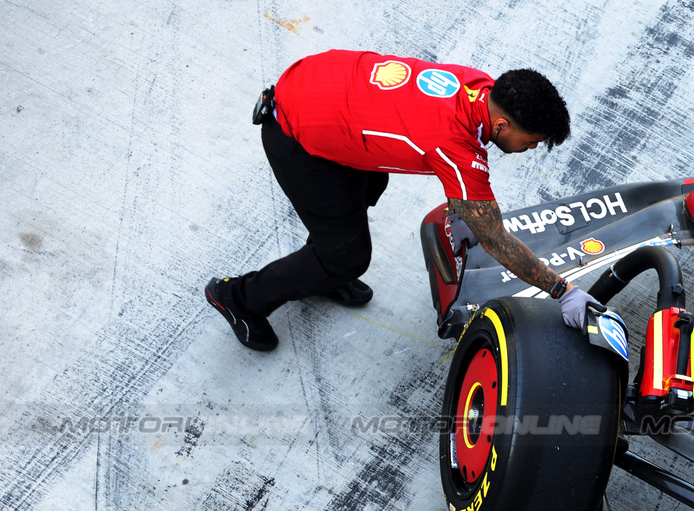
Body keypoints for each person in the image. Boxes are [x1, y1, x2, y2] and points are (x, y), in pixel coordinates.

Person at [205, 50, 599, 352]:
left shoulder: (479, 86)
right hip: (296, 135)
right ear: (502, 125)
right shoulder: (457, 146)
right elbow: (495, 238)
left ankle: (323, 269)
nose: (529, 149)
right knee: (347, 256)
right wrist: (563, 291)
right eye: (530, 142)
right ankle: (238, 297)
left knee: (368, 189)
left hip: (321, 87)